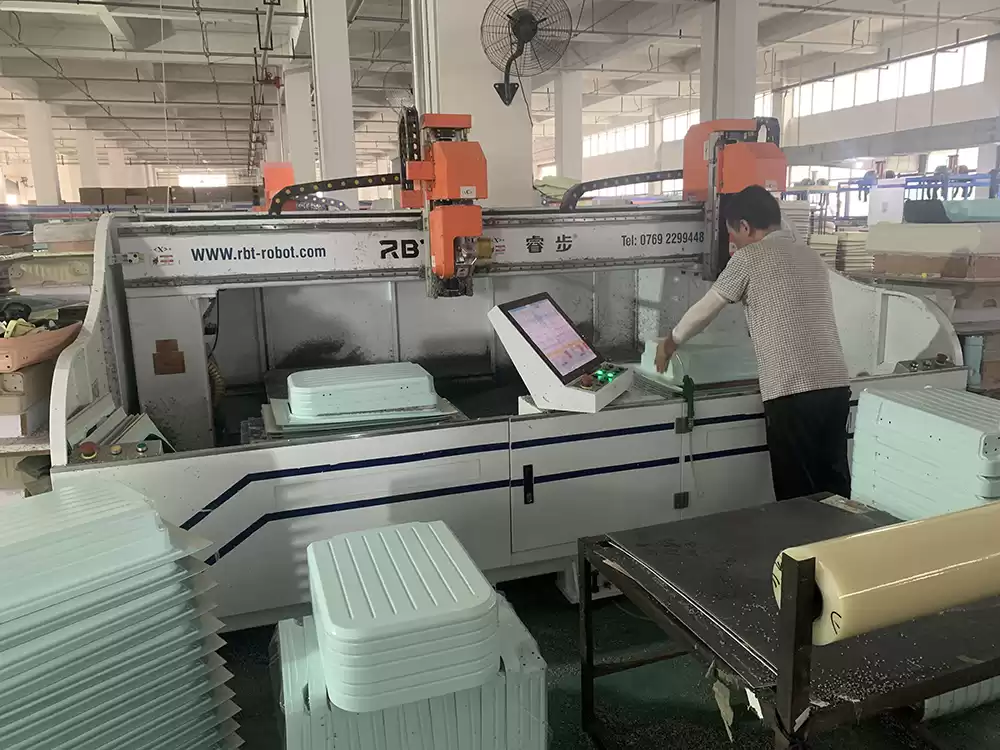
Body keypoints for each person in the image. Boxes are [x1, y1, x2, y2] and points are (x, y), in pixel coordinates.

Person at [655, 185, 851, 501]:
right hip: (835, 385)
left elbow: (706, 310)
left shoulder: (749, 258)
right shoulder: (811, 256)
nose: (733, 242)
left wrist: (671, 341)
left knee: (796, 492)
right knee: (834, 483)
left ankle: (801, 534)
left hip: (791, 390)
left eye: (732, 235)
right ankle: (842, 532)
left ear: (745, 226)